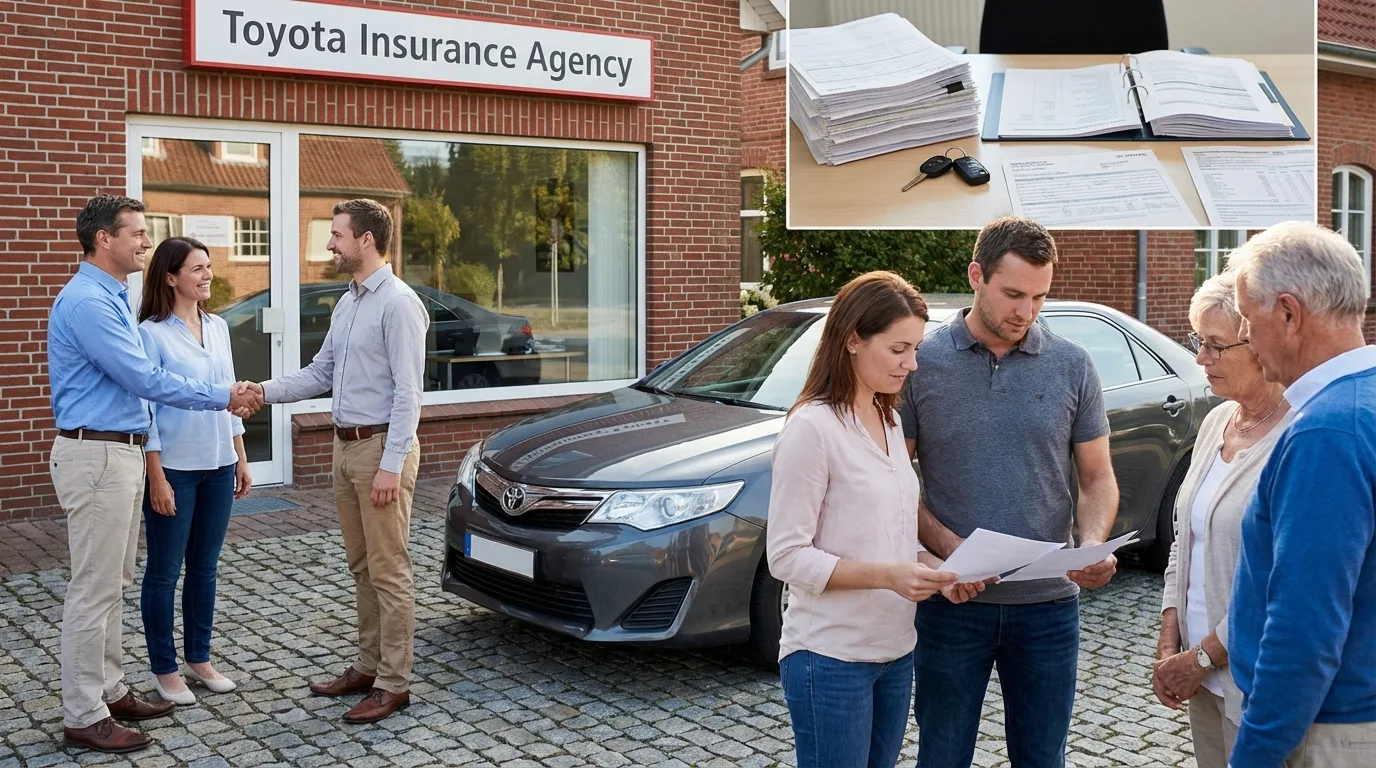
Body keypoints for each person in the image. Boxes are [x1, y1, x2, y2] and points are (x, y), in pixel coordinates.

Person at [898, 217, 1120, 768]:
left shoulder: (1073, 364)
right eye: (1014, 294)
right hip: (952, 604)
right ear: (977, 276)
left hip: (1048, 608)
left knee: (1043, 758)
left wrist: (1093, 544)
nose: (1027, 311)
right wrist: (949, 550)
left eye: (1039, 297)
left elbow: (1097, 476)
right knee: (942, 756)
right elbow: (894, 484)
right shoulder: (921, 364)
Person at [48, 195, 262, 753]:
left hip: (116, 453)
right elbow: (144, 378)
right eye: (137, 233)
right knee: (93, 589)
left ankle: (110, 690)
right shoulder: (90, 303)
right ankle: (83, 713)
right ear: (104, 239)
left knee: (113, 583)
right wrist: (223, 396)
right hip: (97, 454)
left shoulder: (111, 296)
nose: (146, 241)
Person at [768, 271, 985, 768]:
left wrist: (935, 571)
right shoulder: (812, 428)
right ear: (852, 340)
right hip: (829, 657)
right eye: (898, 349)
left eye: (916, 349)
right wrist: (890, 577)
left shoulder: (888, 419)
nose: (913, 364)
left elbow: (892, 534)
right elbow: (786, 557)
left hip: (895, 652)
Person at [240, 199, 428, 723]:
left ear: (366, 239)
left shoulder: (399, 303)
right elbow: (320, 372)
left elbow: (409, 394)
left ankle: (394, 683)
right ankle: (368, 667)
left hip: (381, 449)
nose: (329, 244)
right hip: (345, 449)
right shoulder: (347, 302)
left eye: (337, 235)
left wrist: (391, 464)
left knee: (389, 570)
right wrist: (262, 390)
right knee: (362, 566)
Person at [1224, 222, 1375, 768]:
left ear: (1289, 313)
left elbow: (1305, 624)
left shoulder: (1327, 431)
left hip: (1329, 729)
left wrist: (1255, 753)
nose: (1245, 335)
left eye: (1247, 317)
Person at [1152, 271, 1292, 768]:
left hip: (1252, 680)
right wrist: (1170, 631)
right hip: (1201, 678)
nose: (1200, 359)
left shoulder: (1295, 436)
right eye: (1198, 342)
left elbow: (1283, 581)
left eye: (1215, 345)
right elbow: (1185, 537)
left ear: (1259, 345)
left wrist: (1203, 656)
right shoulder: (1216, 422)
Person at [135, 237, 252, 706]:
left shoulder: (219, 326)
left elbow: (229, 394)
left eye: (209, 266)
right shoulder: (150, 333)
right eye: (197, 268)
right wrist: (156, 476)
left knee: (205, 568)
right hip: (175, 468)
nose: (207, 275)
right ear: (170, 277)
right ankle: (164, 668)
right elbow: (145, 408)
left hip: (218, 464)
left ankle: (199, 659)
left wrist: (240, 455)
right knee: (164, 572)